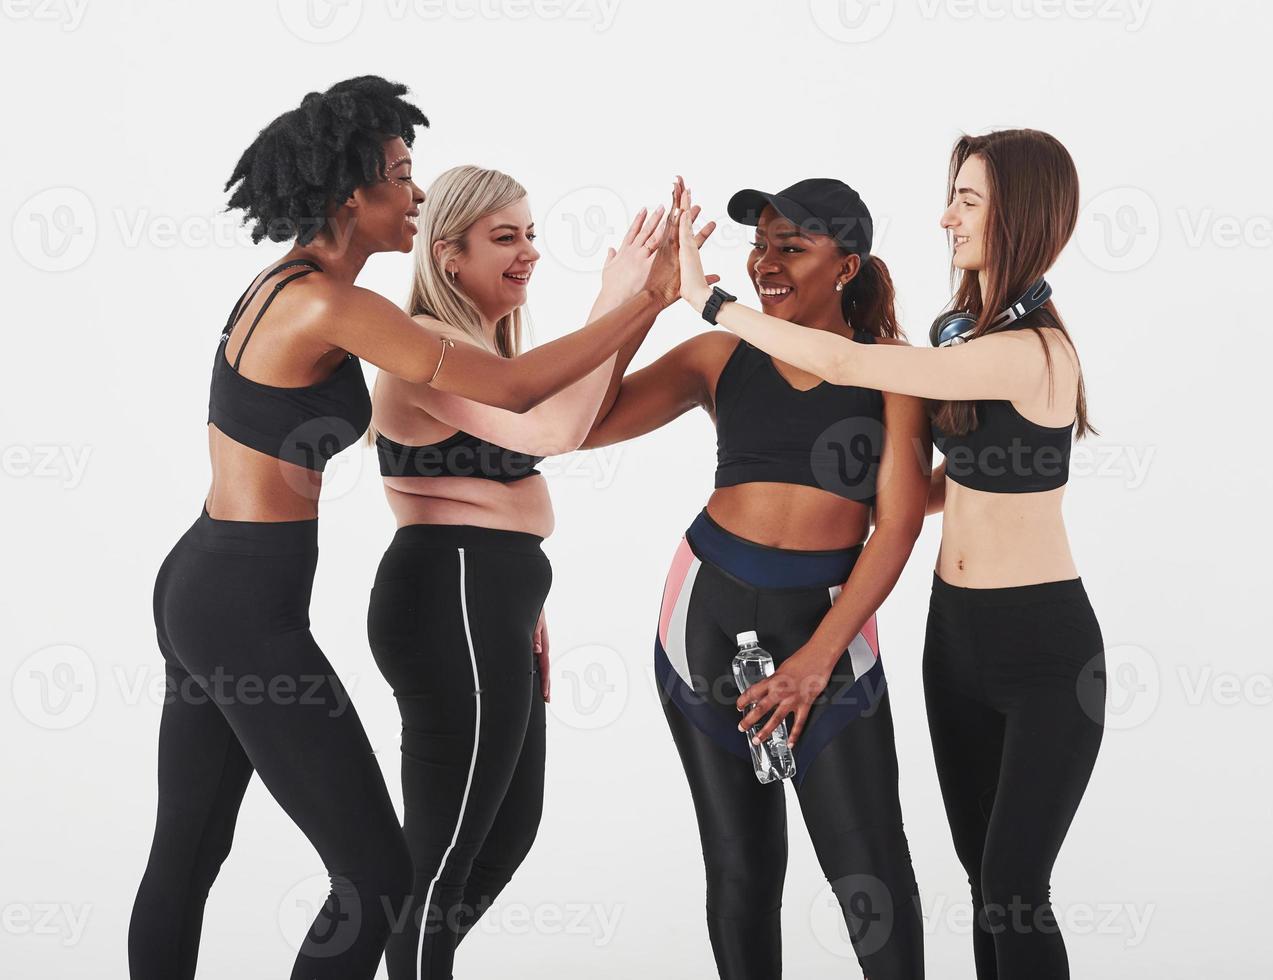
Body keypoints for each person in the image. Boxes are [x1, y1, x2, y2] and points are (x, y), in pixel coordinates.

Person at [128, 76, 686, 980]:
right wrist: (640, 301)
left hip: (209, 581)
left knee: (190, 855)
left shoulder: (295, 289)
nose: (416, 197)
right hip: (239, 606)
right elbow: (511, 391)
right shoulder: (325, 303)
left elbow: (482, 417)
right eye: (400, 175)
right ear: (354, 192)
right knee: (376, 873)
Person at [675, 130, 1106, 979]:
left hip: (1040, 644)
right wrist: (889, 488)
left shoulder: (1032, 351)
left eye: (968, 200)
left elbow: (844, 359)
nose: (946, 216)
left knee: (1016, 885)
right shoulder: (967, 337)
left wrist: (707, 300)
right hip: (957, 639)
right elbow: (962, 481)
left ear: (1017, 214)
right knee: (984, 881)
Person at [366, 167, 713, 979]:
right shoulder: (426, 345)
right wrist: (627, 296)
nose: (528, 252)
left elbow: (575, 414)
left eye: (529, 233)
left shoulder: (483, 356)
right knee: (441, 861)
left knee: (503, 840)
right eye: (505, 237)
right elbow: (554, 430)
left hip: (489, 594)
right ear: (448, 256)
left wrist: (646, 305)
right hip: (451, 591)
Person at [583, 178, 929, 978]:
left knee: (869, 867)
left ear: (846, 266)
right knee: (741, 868)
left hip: (829, 626)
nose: (766, 263)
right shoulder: (718, 352)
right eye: (760, 244)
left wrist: (817, 659)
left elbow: (899, 523)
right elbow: (584, 424)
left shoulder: (893, 370)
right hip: (702, 616)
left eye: (791, 246)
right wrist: (644, 302)